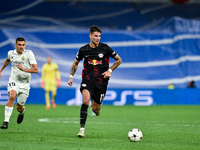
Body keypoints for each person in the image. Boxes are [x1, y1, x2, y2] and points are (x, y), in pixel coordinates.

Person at [68, 25, 122, 138]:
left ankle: (97, 110)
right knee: (86, 100)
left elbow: (119, 60)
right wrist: (71, 76)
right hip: (87, 79)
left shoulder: (105, 48)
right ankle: (81, 130)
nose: (98, 38)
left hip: (102, 82)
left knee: (95, 109)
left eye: (99, 36)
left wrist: (110, 71)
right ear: (90, 36)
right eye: (96, 36)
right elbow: (76, 63)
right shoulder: (83, 49)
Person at [0, 37, 38, 129]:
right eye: (19, 45)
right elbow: (8, 60)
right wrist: (0, 70)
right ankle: (6, 122)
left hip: (25, 84)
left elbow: (36, 69)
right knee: (12, 96)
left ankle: (22, 112)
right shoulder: (11, 53)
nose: (21, 47)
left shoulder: (29, 54)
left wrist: (23, 69)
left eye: (23, 45)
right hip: (14, 80)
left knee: (19, 107)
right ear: (15, 45)